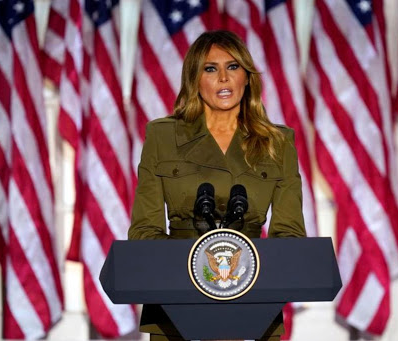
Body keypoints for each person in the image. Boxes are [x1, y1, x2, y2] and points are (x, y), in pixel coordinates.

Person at [128, 30, 306, 341]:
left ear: (247, 77)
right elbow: (144, 232)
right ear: (194, 80)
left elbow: (289, 236)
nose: (223, 78)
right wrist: (196, 265)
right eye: (210, 69)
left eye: (233, 67)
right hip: (176, 303)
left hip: (253, 302)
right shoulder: (162, 137)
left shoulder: (278, 142)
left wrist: (243, 271)